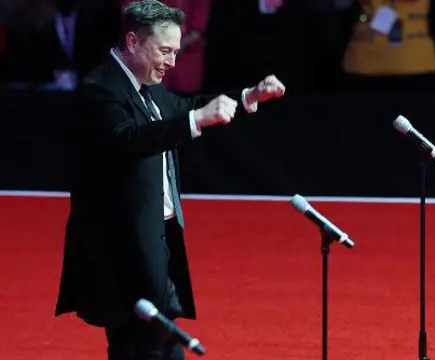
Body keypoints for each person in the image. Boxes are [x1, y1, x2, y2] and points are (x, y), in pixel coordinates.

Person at [53, 1, 285, 359]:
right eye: (165, 51)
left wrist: (248, 96)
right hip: (122, 250)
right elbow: (126, 140)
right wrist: (196, 121)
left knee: (161, 342)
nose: (172, 62)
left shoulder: (147, 87)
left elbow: (186, 108)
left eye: (176, 52)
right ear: (133, 41)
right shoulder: (99, 90)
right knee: (138, 346)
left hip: (153, 241)